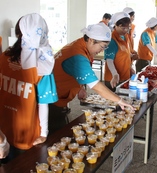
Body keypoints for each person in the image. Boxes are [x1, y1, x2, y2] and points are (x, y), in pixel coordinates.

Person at [51, 22, 133, 133]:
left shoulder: (81, 45)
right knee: (56, 135)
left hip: (58, 94)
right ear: (91, 40)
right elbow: (96, 85)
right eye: (102, 46)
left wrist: (80, 87)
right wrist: (119, 100)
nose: (102, 50)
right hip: (50, 99)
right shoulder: (77, 54)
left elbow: (73, 70)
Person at [0, 13, 57, 163]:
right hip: (28, 135)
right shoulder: (44, 66)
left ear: (18, 33)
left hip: (3, 130)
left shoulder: (4, 57)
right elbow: (43, 102)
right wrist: (44, 133)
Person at [104, 12, 133, 91]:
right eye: (123, 28)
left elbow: (124, 55)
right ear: (115, 25)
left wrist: (130, 68)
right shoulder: (112, 40)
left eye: (128, 28)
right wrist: (115, 74)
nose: (126, 30)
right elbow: (109, 60)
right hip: (113, 79)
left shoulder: (125, 37)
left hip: (124, 76)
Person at [123, 7, 139, 73]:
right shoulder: (120, 30)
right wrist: (128, 53)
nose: (133, 18)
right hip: (124, 55)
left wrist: (132, 51)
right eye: (132, 16)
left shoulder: (133, 26)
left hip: (129, 51)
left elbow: (130, 40)